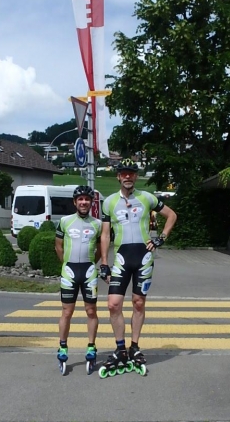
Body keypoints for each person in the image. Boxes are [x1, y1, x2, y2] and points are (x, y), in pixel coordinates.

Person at [98, 160, 177, 375]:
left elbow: (171, 215)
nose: (128, 177)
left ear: (136, 176)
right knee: (113, 304)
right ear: (118, 176)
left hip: (143, 258)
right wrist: (104, 262)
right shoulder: (109, 202)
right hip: (121, 259)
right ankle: (120, 348)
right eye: (124, 173)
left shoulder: (147, 198)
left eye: (131, 173)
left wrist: (161, 238)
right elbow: (105, 235)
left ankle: (134, 347)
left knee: (138, 303)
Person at [54, 186, 102, 373]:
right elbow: (58, 246)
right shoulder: (65, 221)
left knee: (91, 311)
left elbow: (100, 249)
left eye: (87, 199)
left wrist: (92, 263)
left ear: (91, 203)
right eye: (80, 199)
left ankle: (91, 347)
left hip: (88, 271)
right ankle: (63, 347)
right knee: (67, 312)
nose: (84, 202)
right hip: (69, 271)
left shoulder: (97, 224)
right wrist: (66, 264)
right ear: (75, 202)